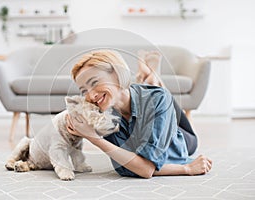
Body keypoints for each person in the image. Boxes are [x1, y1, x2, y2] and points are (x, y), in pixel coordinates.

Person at [66, 49, 212, 178]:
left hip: (180, 136)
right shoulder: (103, 115)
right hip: (138, 101)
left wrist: (186, 168)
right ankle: (147, 77)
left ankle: (151, 78)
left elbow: (146, 169)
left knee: (161, 98)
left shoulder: (157, 99)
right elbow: (128, 168)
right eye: (84, 91)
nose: (90, 96)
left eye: (94, 82)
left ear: (117, 75)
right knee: (147, 97)